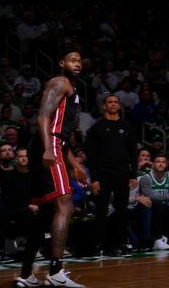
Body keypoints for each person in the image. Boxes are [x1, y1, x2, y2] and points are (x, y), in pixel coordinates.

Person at [14, 51, 86, 288]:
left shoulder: (71, 90)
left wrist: (75, 166)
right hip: (50, 146)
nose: (77, 63)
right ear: (61, 63)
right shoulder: (59, 82)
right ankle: (56, 271)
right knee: (66, 204)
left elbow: (62, 135)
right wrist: (47, 148)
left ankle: (25, 275)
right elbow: (43, 117)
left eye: (79, 61)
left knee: (46, 212)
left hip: (56, 145)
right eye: (72, 60)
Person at [85, 94, 138, 257]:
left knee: (122, 210)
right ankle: (98, 245)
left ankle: (118, 244)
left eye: (116, 102)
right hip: (102, 174)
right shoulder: (96, 128)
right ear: (104, 106)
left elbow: (133, 153)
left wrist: (133, 174)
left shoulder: (127, 126)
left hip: (122, 174)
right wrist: (94, 179)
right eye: (110, 102)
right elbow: (91, 156)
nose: (114, 105)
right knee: (101, 211)